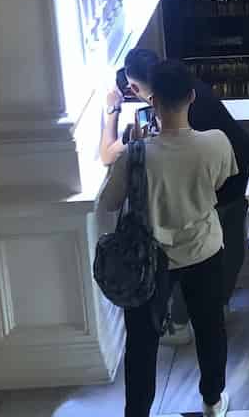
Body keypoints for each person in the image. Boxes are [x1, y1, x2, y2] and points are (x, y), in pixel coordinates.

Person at [96, 59, 235, 417]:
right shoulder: (216, 144)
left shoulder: (137, 154)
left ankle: (138, 412)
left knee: (142, 344)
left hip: (149, 261)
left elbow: (110, 202)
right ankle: (212, 401)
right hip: (204, 249)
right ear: (191, 97)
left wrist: (135, 153)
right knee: (210, 329)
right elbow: (218, 185)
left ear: (152, 101)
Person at [102, 48, 249, 343]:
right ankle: (214, 311)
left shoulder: (164, 119)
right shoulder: (188, 90)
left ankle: (185, 321)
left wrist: (113, 111)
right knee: (223, 248)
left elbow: (108, 155)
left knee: (199, 257)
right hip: (234, 175)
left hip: (223, 191)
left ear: (140, 90)